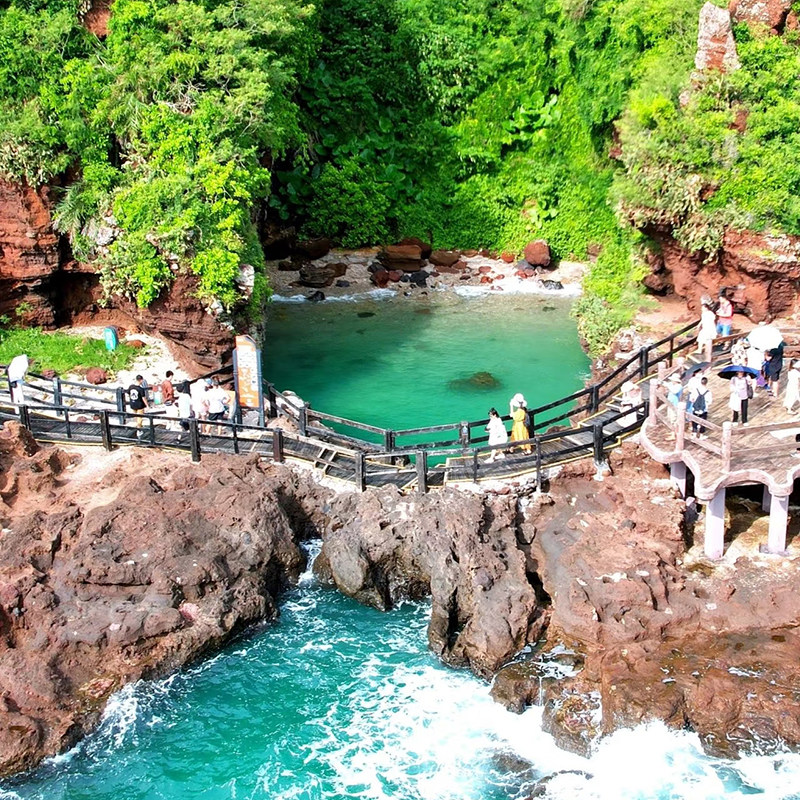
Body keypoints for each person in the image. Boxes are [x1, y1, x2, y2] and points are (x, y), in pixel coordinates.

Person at [697, 296, 716, 362]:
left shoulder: (710, 314)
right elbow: (702, 320)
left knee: (707, 339)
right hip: (705, 328)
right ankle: (699, 349)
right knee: (700, 338)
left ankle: (707, 353)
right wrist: (699, 324)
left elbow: (712, 320)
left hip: (709, 328)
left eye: (703, 307)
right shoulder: (704, 314)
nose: (702, 309)